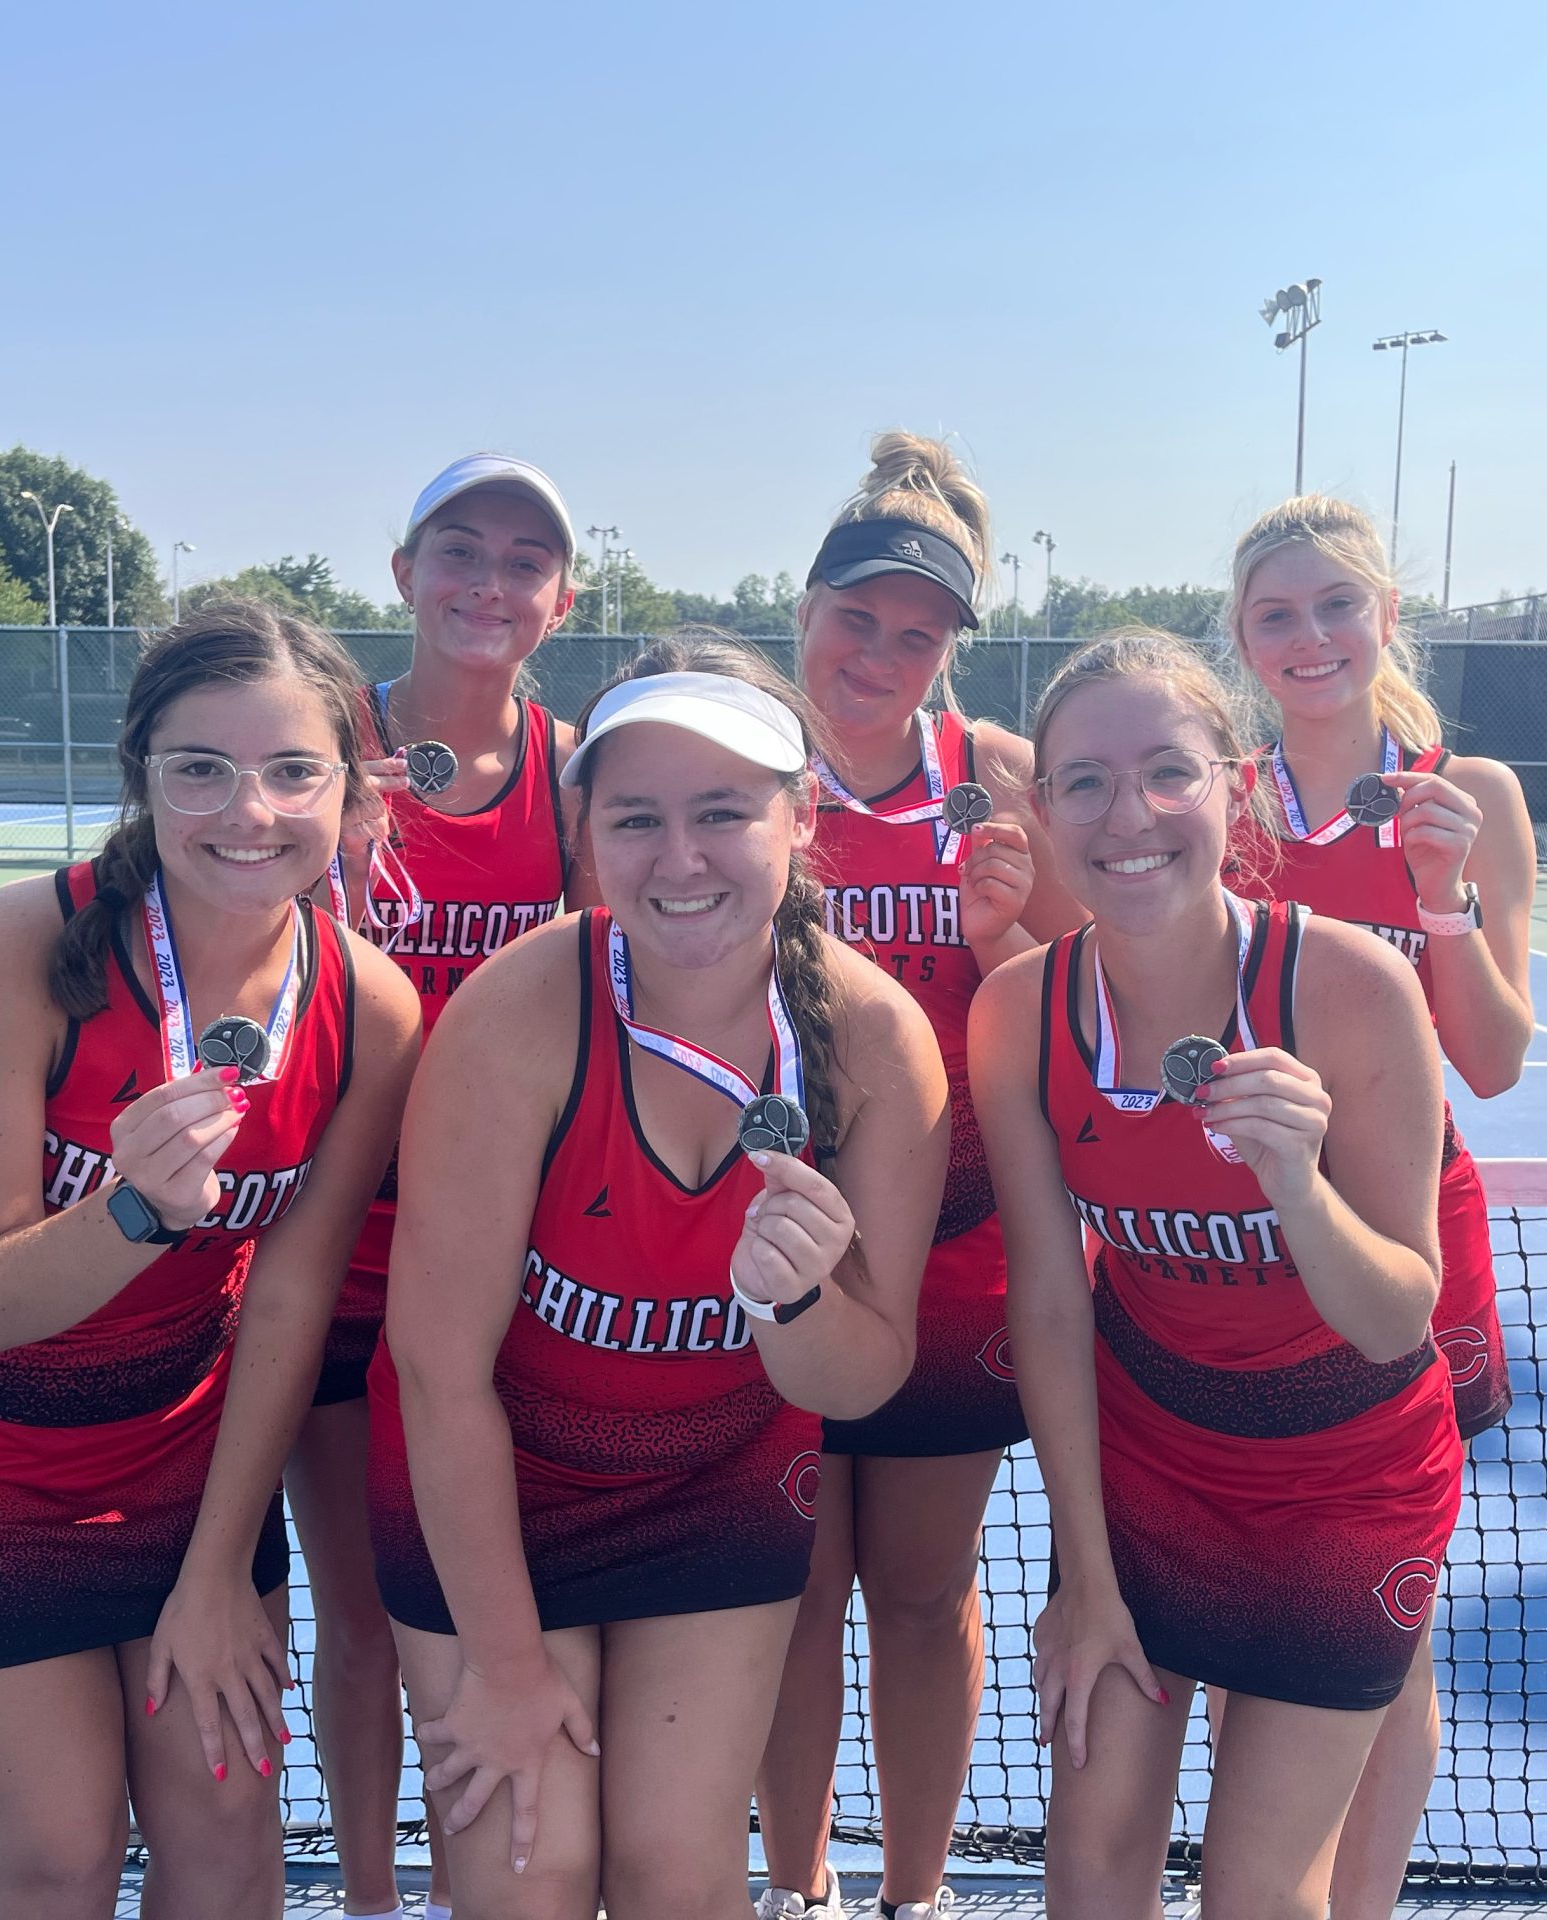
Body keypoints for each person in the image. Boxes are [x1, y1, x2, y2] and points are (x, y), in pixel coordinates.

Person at [0, 603, 423, 1920]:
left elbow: (291, 1288)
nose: (245, 810)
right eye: (199, 768)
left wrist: (218, 1570)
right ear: (140, 777)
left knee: (227, 1847)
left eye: (291, 771)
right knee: (61, 1861)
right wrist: (134, 1213)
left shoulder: (373, 1007)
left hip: (178, 1457)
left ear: (350, 787)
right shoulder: (8, 959)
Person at [365, 640, 952, 1919]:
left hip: (715, 1477)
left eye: (723, 814)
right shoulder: (520, 1014)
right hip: (493, 1480)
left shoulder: (872, 1044)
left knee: (676, 1876)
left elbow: (862, 1374)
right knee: (531, 1880)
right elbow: (437, 1370)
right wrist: (509, 1671)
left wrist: (797, 1300)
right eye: (636, 819)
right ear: (589, 836)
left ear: (801, 818)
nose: (678, 860)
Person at [969, 630, 1462, 1920]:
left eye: (1166, 773)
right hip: (1149, 1464)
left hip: (1347, 1477)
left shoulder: (1349, 988)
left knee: (1252, 1898)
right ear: (1042, 806)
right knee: (1088, 1869)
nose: (1128, 816)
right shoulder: (1019, 1012)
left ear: (1232, 788)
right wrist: (1080, 1573)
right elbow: (1048, 1294)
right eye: (1083, 781)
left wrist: (1297, 1189)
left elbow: (1396, 1315)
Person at [755, 436, 1081, 1920]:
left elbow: (1084, 1007)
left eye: (919, 632)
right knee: (792, 1594)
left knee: (923, 1587)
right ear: (803, 603)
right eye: (857, 617)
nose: (880, 653)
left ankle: (917, 1895)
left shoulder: (1001, 777)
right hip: (772, 1246)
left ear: (955, 645)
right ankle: (803, 1889)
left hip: (957, 1258)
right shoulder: (735, 764)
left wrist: (1014, 933)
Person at [1216, 495, 1533, 1920]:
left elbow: (1496, 1061)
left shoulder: (1474, 798)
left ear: (1385, 615)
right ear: (1244, 641)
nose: (1312, 638)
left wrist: (1446, 895)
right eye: (1277, 614)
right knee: (1251, 1621)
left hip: (1412, 1247)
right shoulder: (1215, 804)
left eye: (1336, 605)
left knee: (1390, 1630)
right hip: (1243, 1254)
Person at [294, 453, 583, 1920]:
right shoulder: (315, 753)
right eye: (460, 551)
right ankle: (364, 1898)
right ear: (403, 573)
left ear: (560, 599)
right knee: (357, 1618)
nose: (489, 582)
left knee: (488, 1607)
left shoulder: (579, 772)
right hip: (327, 1256)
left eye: (523, 560)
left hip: (506, 1279)